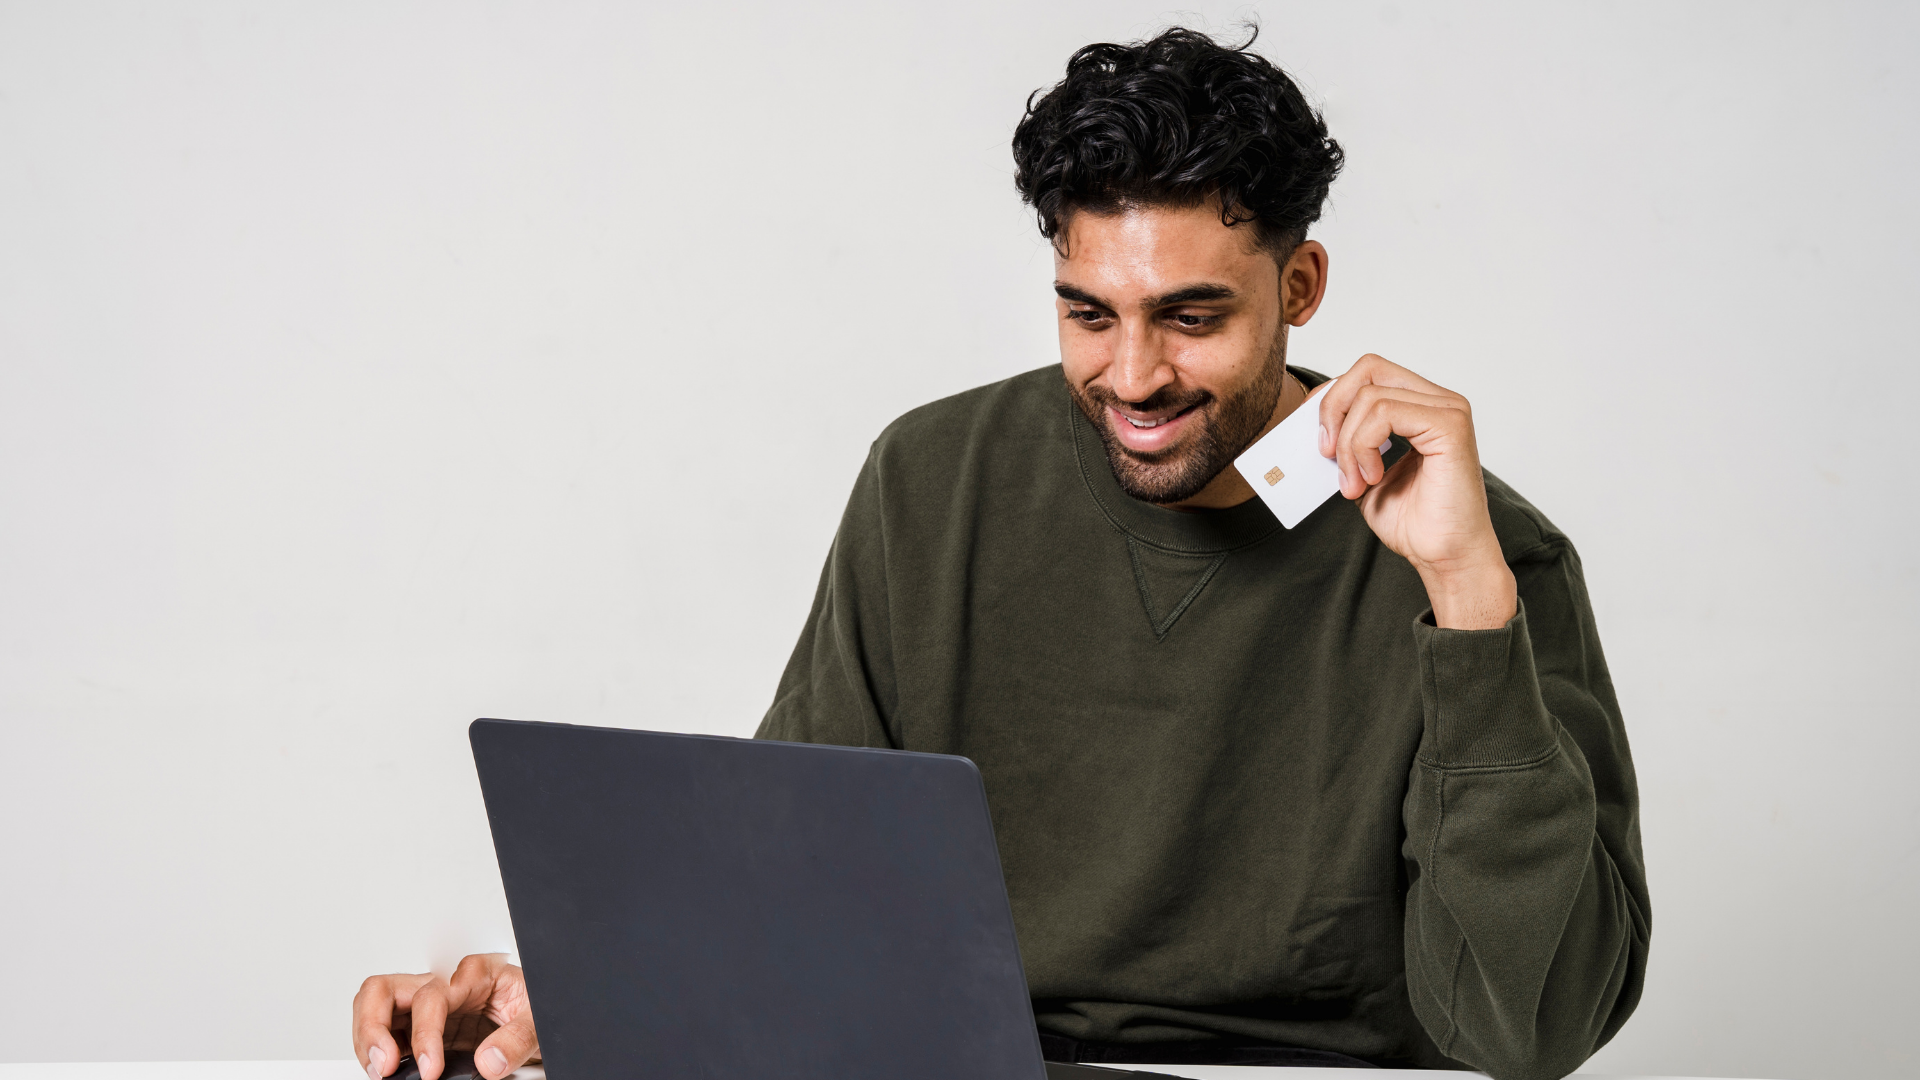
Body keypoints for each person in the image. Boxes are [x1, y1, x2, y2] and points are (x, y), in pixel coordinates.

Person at [352, 26, 1649, 1080]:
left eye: (1191, 318)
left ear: (1299, 286)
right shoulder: (937, 480)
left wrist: (1466, 601)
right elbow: (790, 891)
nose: (1132, 376)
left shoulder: (1485, 551)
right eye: (1090, 314)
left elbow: (1531, 1033)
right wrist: (565, 1001)